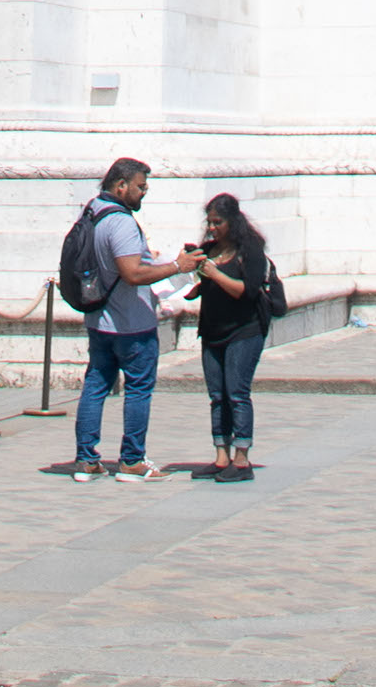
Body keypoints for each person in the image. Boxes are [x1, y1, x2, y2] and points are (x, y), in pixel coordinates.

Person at [69, 157, 199, 481]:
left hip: (99, 320)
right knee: (138, 389)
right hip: (131, 325)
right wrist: (177, 266)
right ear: (121, 185)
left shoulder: (93, 210)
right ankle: (132, 461)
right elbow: (132, 273)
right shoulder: (121, 222)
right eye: (141, 187)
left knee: (96, 385)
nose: (144, 192)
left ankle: (86, 460)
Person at [193, 191, 278, 475]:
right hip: (212, 330)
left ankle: (242, 459)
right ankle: (221, 456)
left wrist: (215, 273)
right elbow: (203, 287)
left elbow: (247, 292)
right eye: (210, 223)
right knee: (217, 395)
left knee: (237, 393)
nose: (213, 228)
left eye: (218, 222)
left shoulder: (250, 250)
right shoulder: (207, 249)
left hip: (245, 330)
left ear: (232, 221)